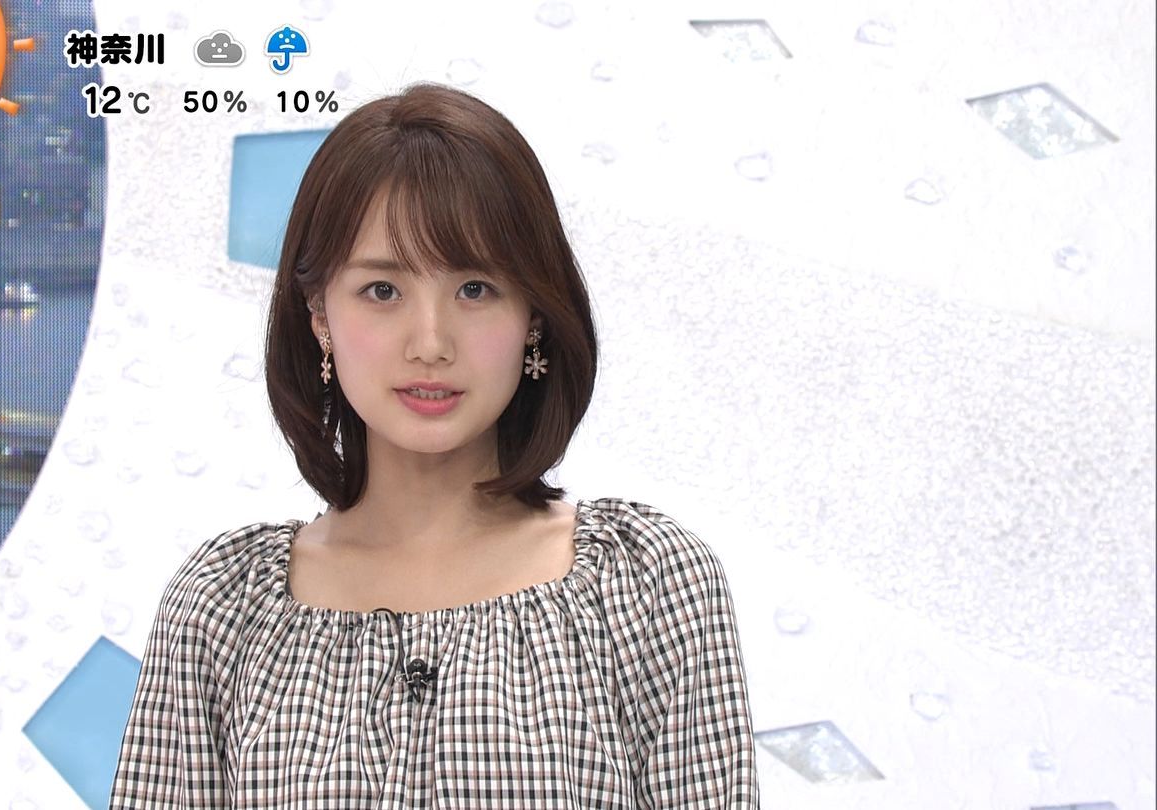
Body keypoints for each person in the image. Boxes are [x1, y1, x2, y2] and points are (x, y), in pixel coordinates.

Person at [109, 82, 760, 808]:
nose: (430, 343)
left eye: (475, 289)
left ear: (534, 316)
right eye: (382, 291)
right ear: (319, 315)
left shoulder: (647, 587)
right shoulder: (226, 609)